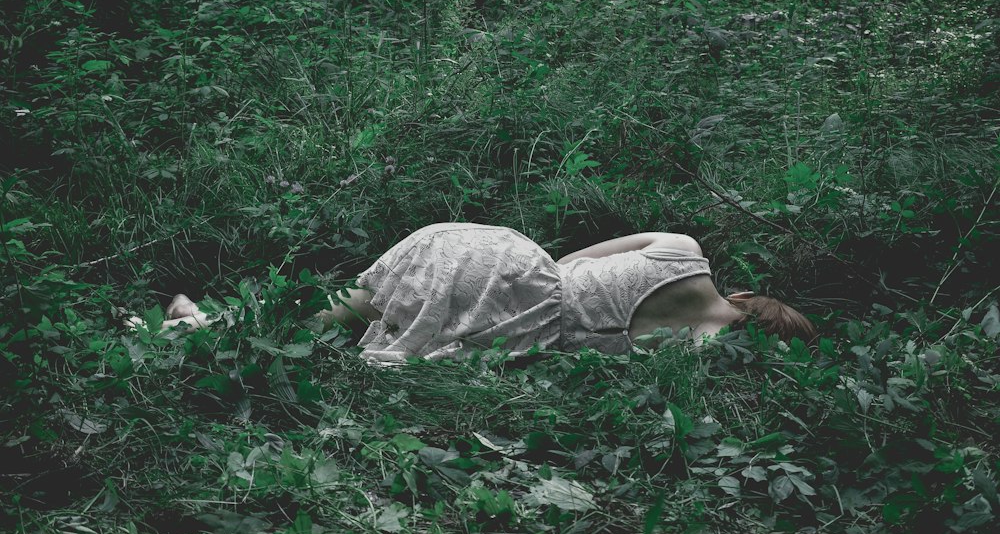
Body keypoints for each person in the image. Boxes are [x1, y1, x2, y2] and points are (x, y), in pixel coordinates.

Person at [163, 221, 816, 366]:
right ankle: (201, 327)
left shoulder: (683, 249)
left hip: (507, 260)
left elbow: (575, 261)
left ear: (749, 295)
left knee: (338, 308)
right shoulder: (697, 355)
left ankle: (205, 322)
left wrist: (512, 282)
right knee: (335, 325)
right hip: (522, 322)